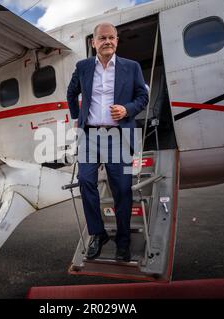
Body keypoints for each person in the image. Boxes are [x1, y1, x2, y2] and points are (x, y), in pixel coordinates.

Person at [67, 22, 148, 261]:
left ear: (117, 41)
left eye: (111, 37)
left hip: (118, 137)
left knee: (122, 189)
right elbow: (71, 93)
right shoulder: (82, 67)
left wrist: (127, 110)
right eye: (102, 38)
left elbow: (142, 96)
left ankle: (123, 241)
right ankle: (97, 233)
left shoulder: (131, 67)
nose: (107, 42)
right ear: (94, 42)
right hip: (90, 135)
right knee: (85, 181)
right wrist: (76, 117)